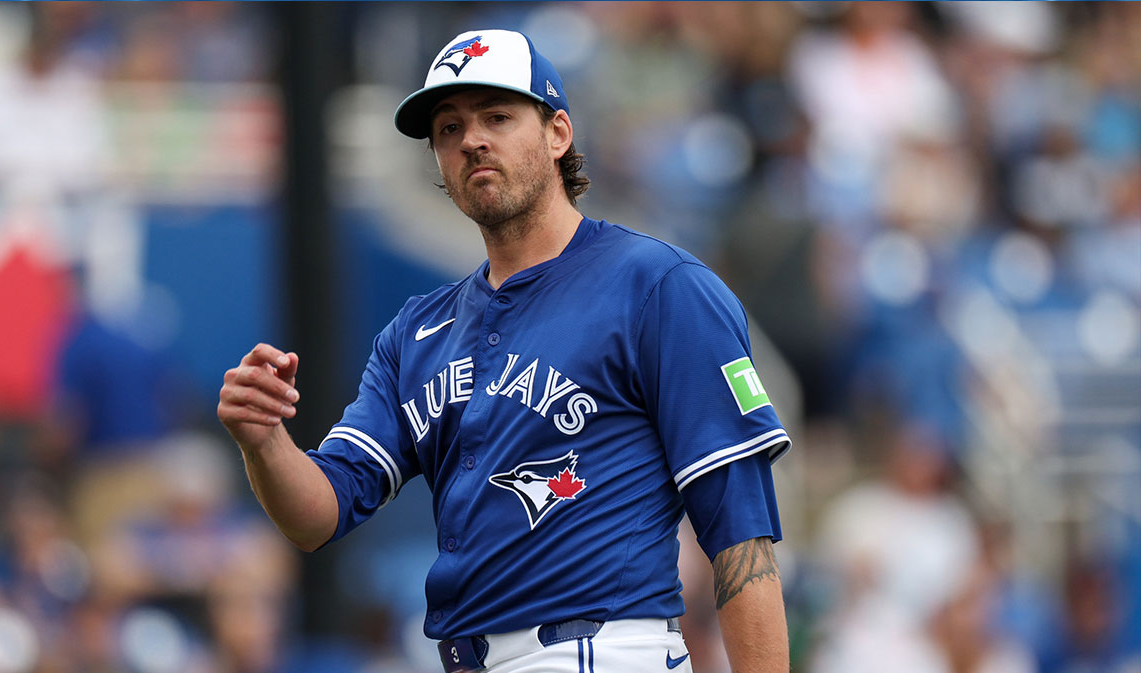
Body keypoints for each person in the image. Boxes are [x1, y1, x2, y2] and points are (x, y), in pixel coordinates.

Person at [218, 29, 791, 673]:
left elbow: (742, 535)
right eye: (448, 127)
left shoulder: (657, 286)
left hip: (600, 649)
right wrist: (264, 443)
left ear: (558, 133)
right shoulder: (416, 332)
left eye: (497, 116)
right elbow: (318, 514)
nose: (471, 139)